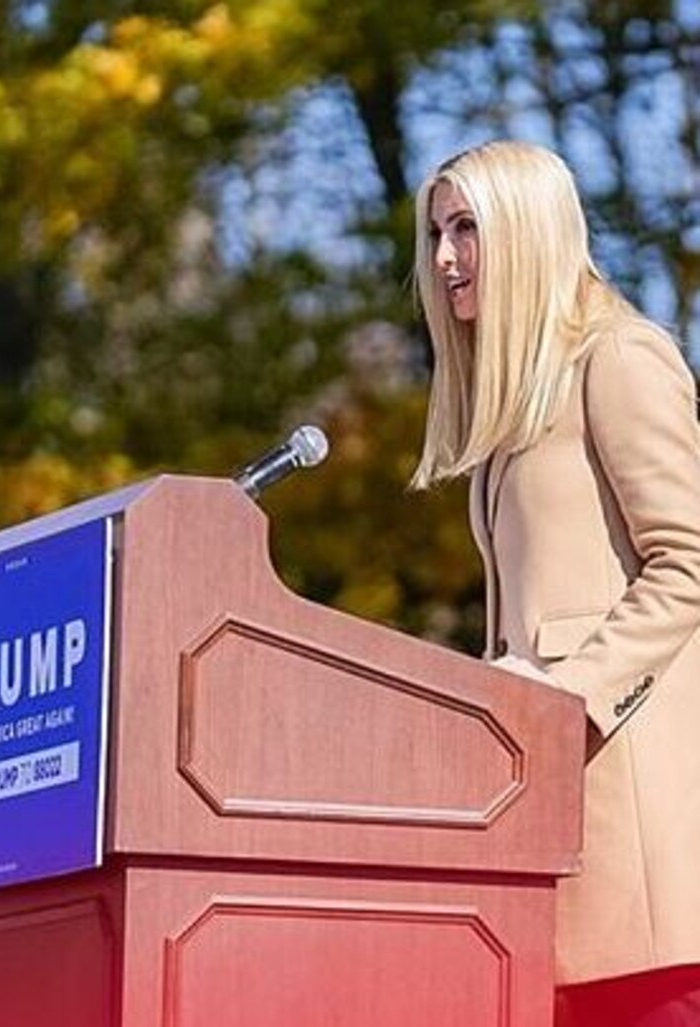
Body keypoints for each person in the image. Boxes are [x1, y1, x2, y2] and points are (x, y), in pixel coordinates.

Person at [412, 139, 700, 1026]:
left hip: (640, 876)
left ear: (531, 230)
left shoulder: (621, 356)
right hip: (549, 848)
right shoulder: (519, 408)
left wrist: (562, 699)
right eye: (435, 234)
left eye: (467, 228)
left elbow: (688, 561)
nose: (445, 257)